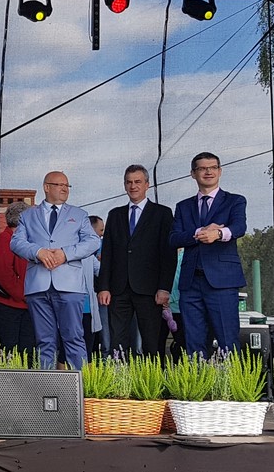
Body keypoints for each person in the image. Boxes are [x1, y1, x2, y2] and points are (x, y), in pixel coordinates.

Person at [11, 171, 100, 371]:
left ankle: (81, 385)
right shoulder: (28, 215)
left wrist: (65, 254)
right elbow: (16, 243)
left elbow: (93, 242)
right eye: (60, 185)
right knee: (44, 341)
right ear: (46, 187)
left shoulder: (79, 215)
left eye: (67, 185)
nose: (65, 189)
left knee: (74, 337)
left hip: (70, 286)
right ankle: (47, 385)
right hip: (38, 286)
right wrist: (38, 252)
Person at [170, 153, 247, 356]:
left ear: (220, 171)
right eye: (202, 168)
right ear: (193, 173)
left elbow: (239, 227)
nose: (208, 172)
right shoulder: (183, 206)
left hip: (222, 281)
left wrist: (219, 234)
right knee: (193, 343)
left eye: (213, 167)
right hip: (191, 283)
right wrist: (199, 232)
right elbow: (174, 238)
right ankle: (199, 376)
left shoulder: (235, 201)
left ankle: (231, 377)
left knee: (227, 341)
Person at [98, 165, 177, 357]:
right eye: (129, 182)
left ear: (147, 185)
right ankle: (119, 375)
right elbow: (107, 253)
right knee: (117, 342)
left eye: (137, 182)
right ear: (124, 185)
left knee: (151, 342)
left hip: (150, 289)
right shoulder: (115, 215)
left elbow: (168, 254)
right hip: (118, 289)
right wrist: (103, 287)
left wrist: (164, 288)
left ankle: (151, 376)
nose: (133, 186)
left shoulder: (162, 213)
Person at [0, 201, 35, 360]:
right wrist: (24, 295)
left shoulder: (23, 239)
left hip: (23, 303)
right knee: (11, 349)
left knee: (28, 349)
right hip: (9, 303)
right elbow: (4, 274)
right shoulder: (5, 239)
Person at [83, 215, 107, 355]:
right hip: (70, 308)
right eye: (101, 230)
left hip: (88, 307)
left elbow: (102, 272)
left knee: (89, 346)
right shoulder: (65, 252)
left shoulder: (90, 257)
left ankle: (87, 370)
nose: (102, 235)